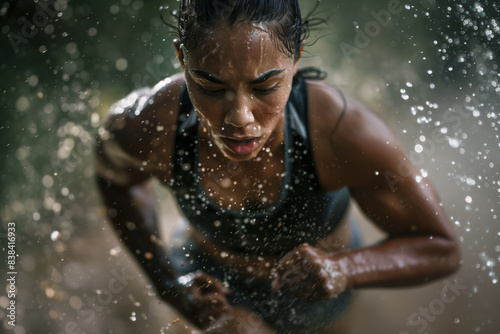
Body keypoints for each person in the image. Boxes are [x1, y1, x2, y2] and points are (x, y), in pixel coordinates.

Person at [95, 0, 461, 333]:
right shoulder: (150, 124)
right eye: (209, 85)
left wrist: (344, 269)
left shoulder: (341, 134)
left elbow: (440, 248)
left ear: (296, 58)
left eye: (265, 86)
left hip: (319, 298)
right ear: (181, 58)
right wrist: (170, 284)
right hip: (205, 284)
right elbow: (115, 180)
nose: (239, 118)